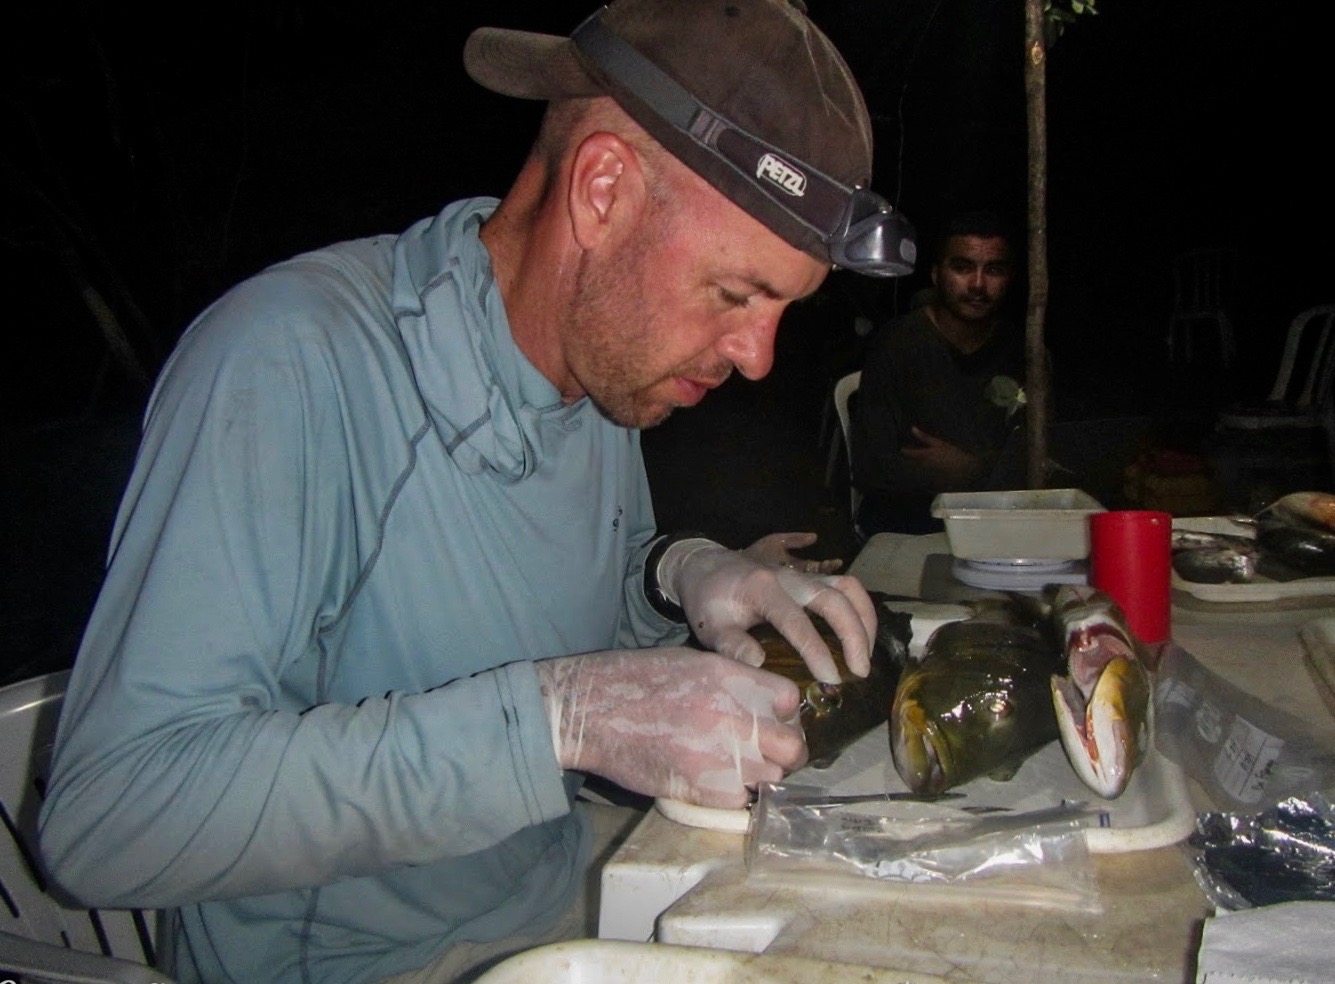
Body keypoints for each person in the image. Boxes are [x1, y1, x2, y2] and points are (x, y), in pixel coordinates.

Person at [36, 2, 916, 982]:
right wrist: (558, 720)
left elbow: (536, 606)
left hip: (559, 906)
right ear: (603, 191)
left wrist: (683, 577)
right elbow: (110, 816)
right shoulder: (291, 364)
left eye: (785, 310)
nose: (760, 359)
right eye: (737, 294)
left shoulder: (591, 383)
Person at [850, 209, 1030, 536]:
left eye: (994, 270)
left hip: (1000, 522)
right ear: (936, 274)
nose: (978, 284)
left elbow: (1042, 461)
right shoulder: (898, 345)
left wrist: (973, 470)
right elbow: (870, 468)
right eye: (962, 267)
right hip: (911, 522)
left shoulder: (1023, 351)